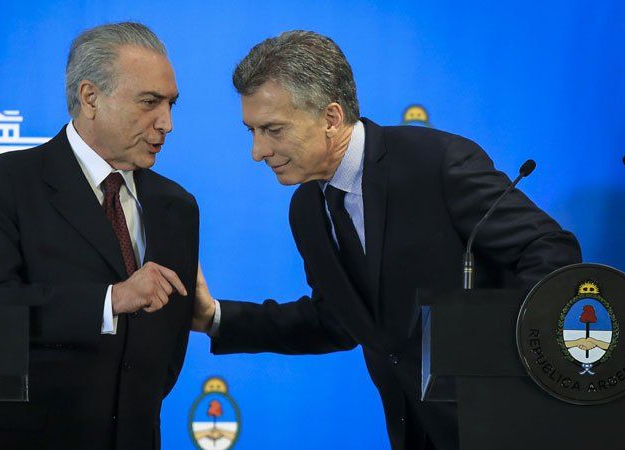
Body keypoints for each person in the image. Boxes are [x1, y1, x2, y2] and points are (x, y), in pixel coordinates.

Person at [191, 30, 581, 450]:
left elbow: (550, 249)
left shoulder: (435, 163)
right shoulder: (306, 208)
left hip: (507, 425)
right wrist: (215, 318)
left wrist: (498, 349)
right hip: (415, 432)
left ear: (331, 118)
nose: (257, 151)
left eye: (272, 129)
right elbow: (336, 322)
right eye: (252, 130)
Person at [0, 22, 199, 450]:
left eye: (171, 104)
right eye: (150, 102)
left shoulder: (177, 206)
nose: (166, 123)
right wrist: (111, 300)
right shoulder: (8, 181)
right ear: (91, 98)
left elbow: (168, 349)